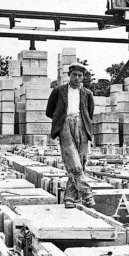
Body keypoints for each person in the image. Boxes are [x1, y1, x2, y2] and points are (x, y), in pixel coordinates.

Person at [46, 62, 95, 209]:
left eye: (80, 76)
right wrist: (61, 120)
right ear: (69, 75)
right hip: (65, 125)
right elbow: (49, 111)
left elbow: (89, 113)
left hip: (82, 126)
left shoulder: (87, 93)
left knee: (81, 161)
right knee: (73, 162)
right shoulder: (58, 90)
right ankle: (87, 195)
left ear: (83, 78)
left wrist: (82, 123)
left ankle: (69, 198)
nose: (77, 78)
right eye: (74, 75)